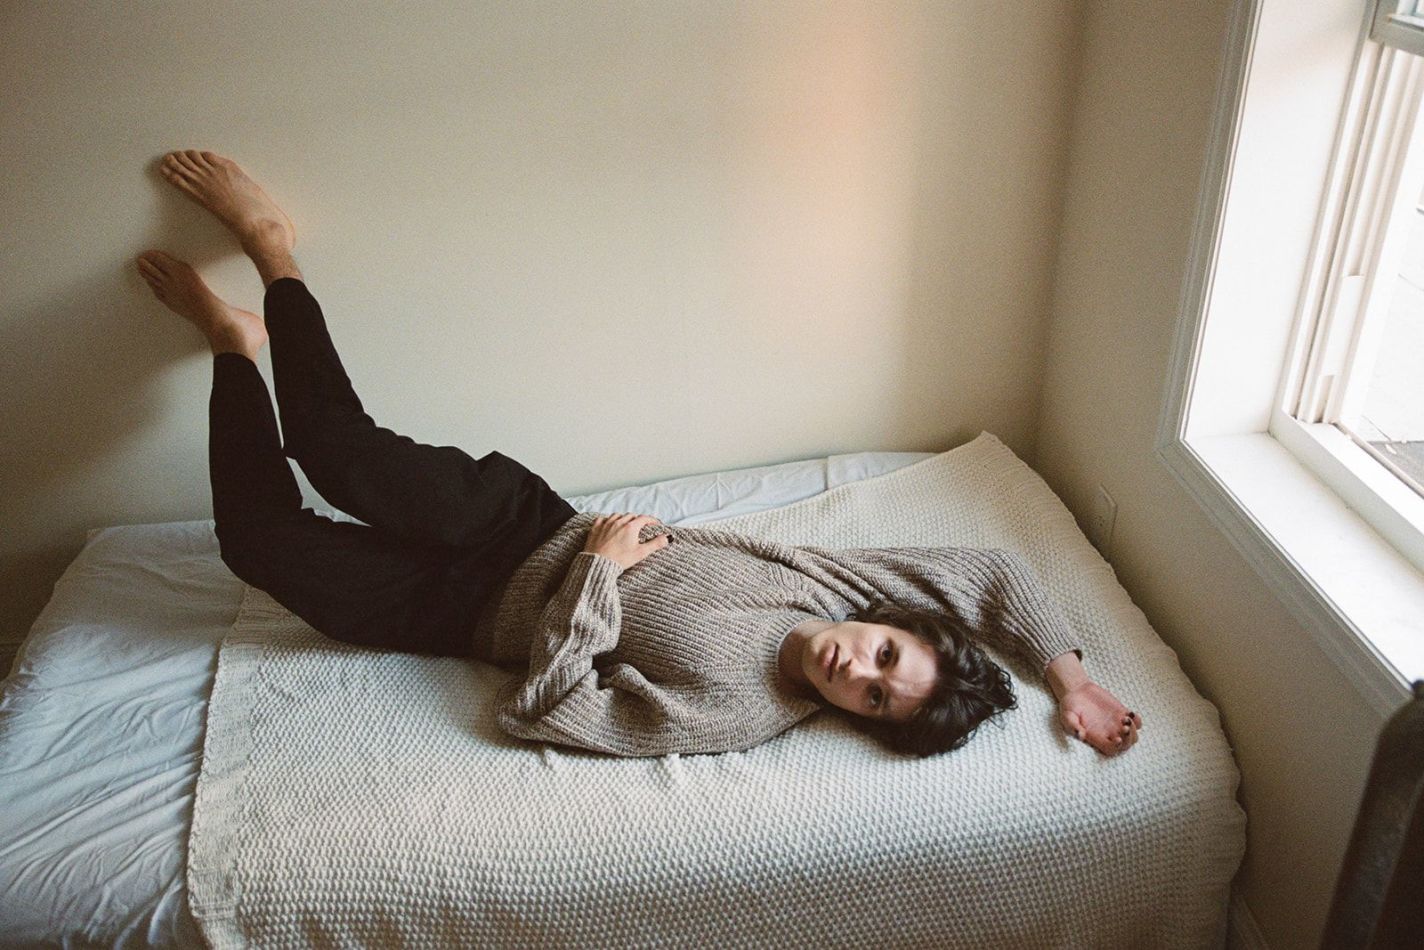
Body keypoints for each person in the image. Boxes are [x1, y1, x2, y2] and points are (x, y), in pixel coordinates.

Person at [137, 150, 1142, 760]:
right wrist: (1070, 680)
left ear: (863, 720)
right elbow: (989, 574)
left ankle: (234, 345)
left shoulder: (737, 712)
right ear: (889, 624)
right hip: (516, 524)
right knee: (334, 449)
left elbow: (545, 710)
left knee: (257, 543)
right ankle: (273, 250)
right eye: (885, 654)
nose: (856, 668)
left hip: (456, 616)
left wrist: (597, 580)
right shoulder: (839, 590)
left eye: (874, 697)